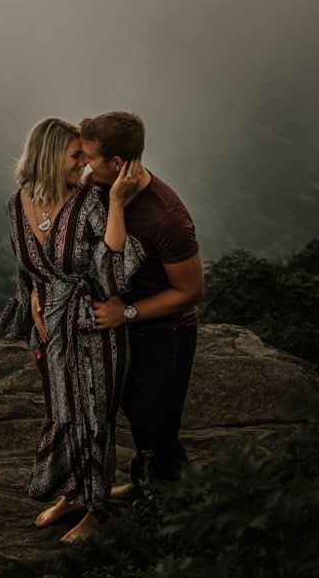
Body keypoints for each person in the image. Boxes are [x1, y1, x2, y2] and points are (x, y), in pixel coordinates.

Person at [0, 117, 145, 545]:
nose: (83, 163)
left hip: (93, 325)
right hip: (51, 332)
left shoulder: (91, 201)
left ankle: (98, 512)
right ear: (47, 158)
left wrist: (117, 204)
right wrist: (32, 323)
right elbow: (24, 272)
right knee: (62, 414)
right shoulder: (15, 204)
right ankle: (73, 494)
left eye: (85, 154)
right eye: (75, 155)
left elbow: (115, 271)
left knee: (94, 418)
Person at [78, 111, 204, 494]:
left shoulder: (167, 217)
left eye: (89, 157)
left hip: (166, 332)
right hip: (125, 330)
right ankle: (149, 481)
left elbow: (190, 292)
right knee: (138, 415)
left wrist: (125, 312)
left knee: (155, 422)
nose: (84, 164)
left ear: (116, 163)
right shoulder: (100, 188)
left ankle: (172, 500)